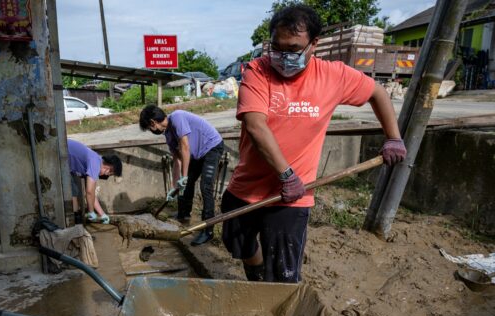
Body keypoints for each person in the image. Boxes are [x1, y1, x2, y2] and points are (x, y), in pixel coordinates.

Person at [222, 5, 407, 283]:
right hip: (247, 187)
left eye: (293, 49)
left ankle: (270, 300)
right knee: (239, 244)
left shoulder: (333, 76)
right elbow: (255, 126)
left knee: (283, 273)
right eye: (277, 47)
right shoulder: (257, 71)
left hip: (294, 197)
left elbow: (377, 93)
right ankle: (257, 278)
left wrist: (393, 137)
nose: (283, 57)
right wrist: (286, 174)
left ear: (314, 44)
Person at [139, 105, 224, 246]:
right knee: (187, 183)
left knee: (205, 187)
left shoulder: (177, 117)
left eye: (149, 128)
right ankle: (183, 215)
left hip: (212, 147)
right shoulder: (168, 134)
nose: (151, 131)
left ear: (153, 123)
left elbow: (185, 146)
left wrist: (184, 176)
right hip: (197, 154)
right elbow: (177, 160)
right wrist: (174, 186)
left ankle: (208, 231)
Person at [67, 139, 122, 224]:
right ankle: (75, 223)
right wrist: (91, 211)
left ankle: (76, 220)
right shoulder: (95, 163)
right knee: (73, 191)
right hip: (58, 153)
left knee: (74, 190)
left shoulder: (96, 160)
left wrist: (102, 214)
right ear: (108, 170)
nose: (106, 175)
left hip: (64, 158)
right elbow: (89, 192)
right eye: (110, 174)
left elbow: (92, 194)